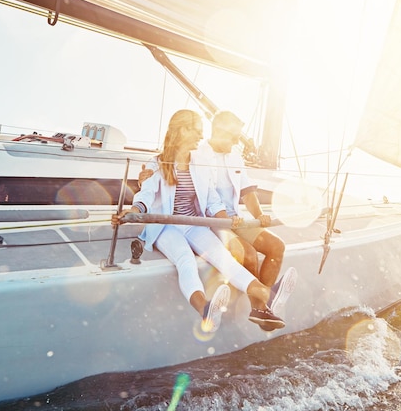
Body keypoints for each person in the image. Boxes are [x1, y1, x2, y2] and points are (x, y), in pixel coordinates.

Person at [112, 109, 284, 333]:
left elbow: (212, 198)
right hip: (166, 227)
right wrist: (133, 211)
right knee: (186, 261)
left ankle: (268, 295)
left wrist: (225, 220)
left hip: (194, 224)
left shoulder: (198, 162)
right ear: (182, 131)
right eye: (197, 131)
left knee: (225, 259)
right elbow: (146, 194)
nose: (201, 136)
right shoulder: (157, 164)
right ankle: (205, 310)